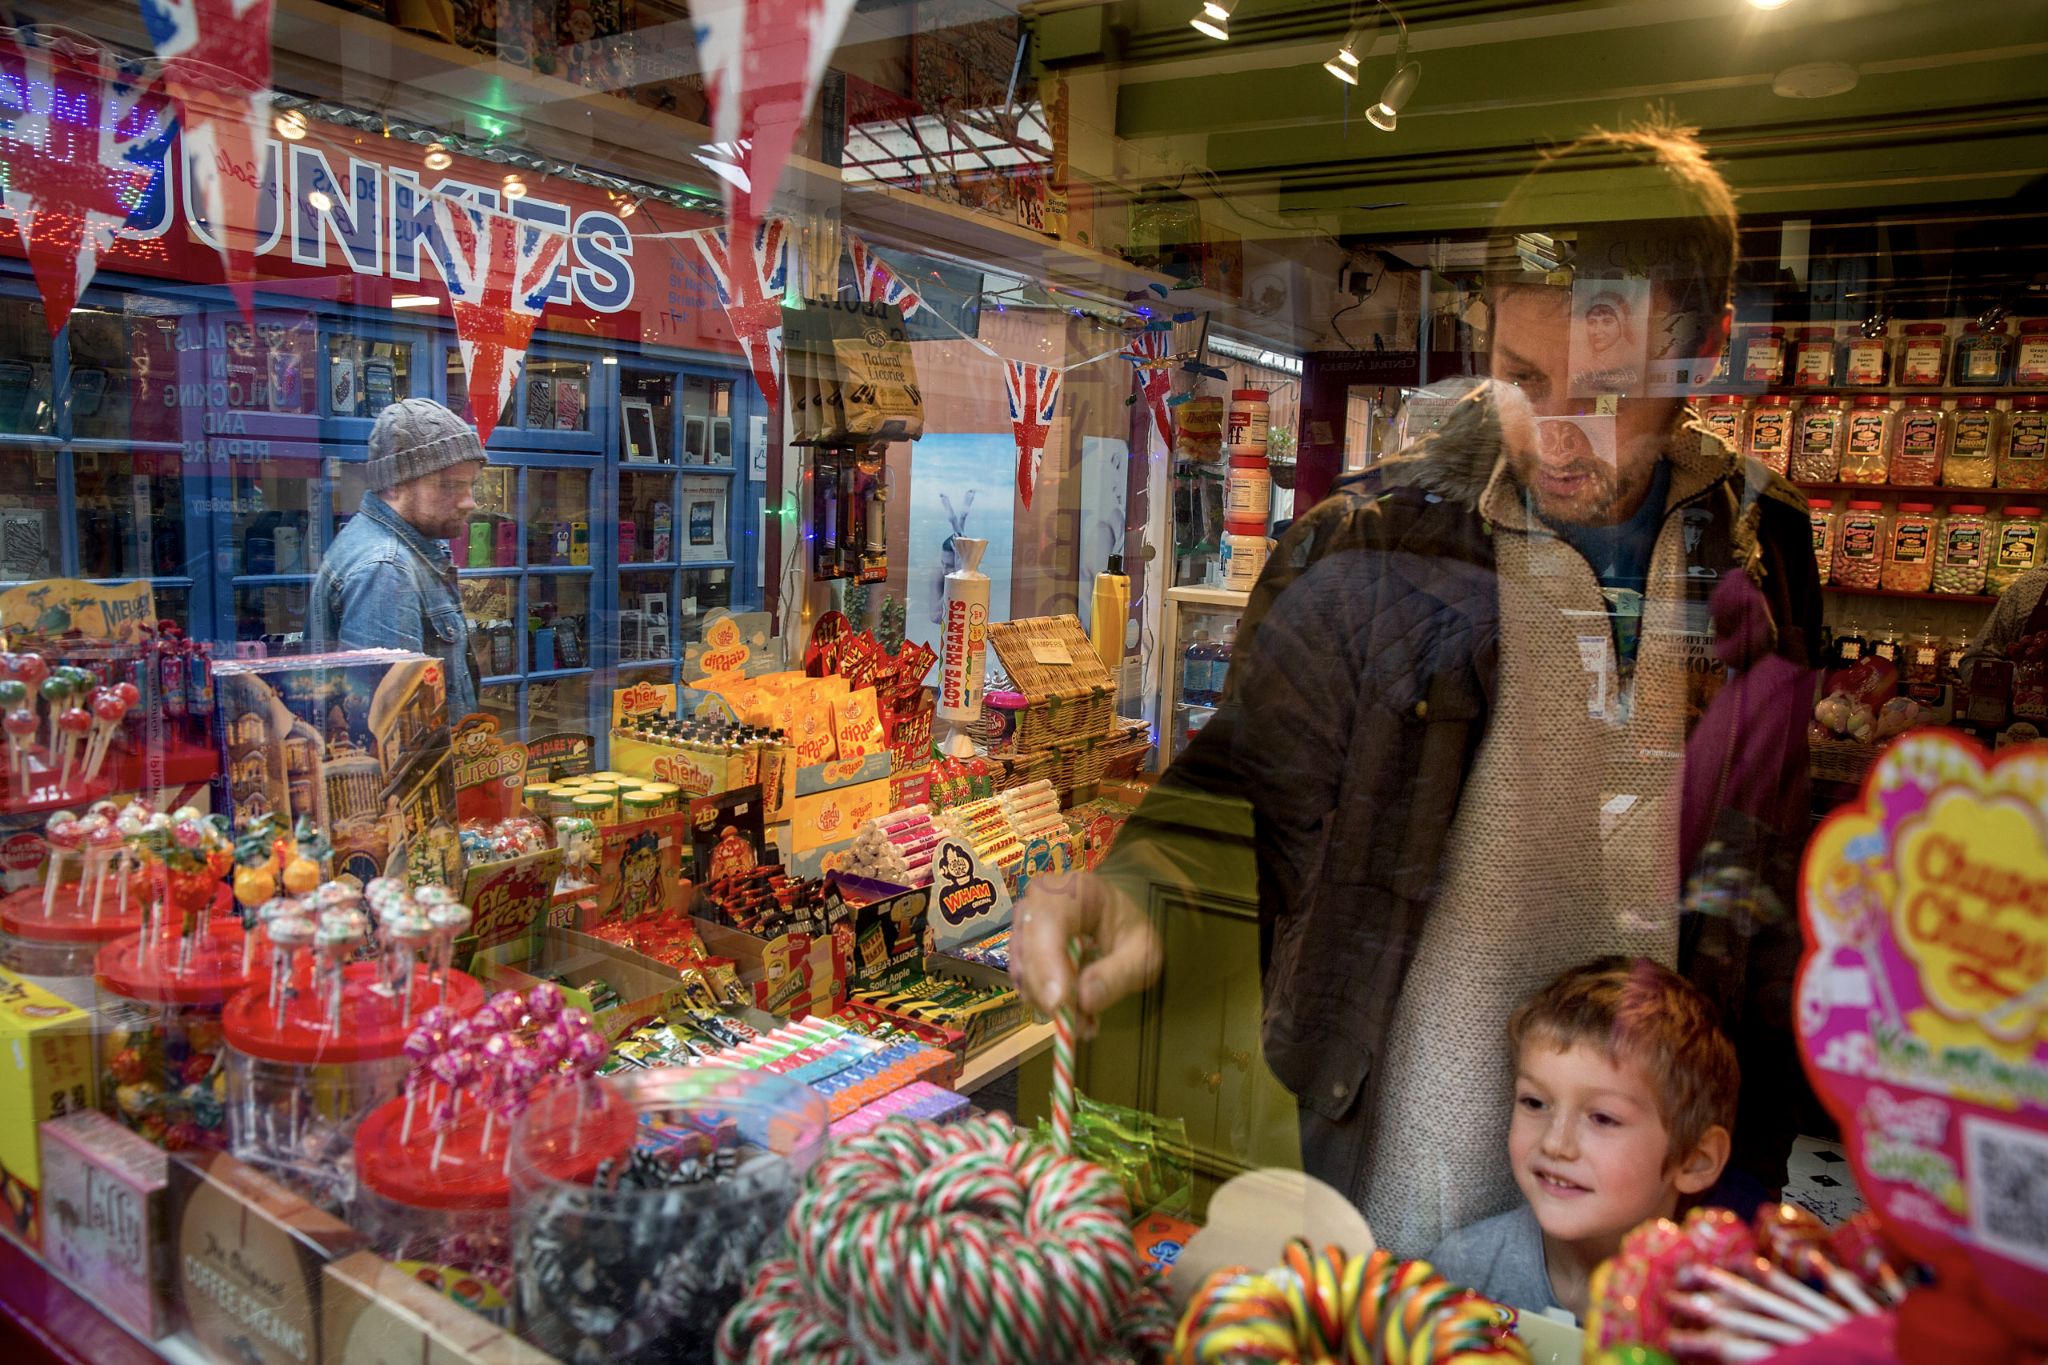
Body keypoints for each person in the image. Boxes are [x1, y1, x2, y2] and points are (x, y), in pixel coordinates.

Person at [1011, 121, 1822, 1255]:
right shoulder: (1374, 542)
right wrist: (1132, 893)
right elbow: (1240, 789)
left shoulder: (1763, 545)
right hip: (1409, 1163)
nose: (1557, 438)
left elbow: (1763, 881)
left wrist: (1751, 1173)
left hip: (1654, 1196)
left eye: (1608, 390)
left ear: (1704, 353)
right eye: (1523, 379)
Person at [1427, 957, 1737, 1320]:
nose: (1555, 1143)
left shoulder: (1714, 1313)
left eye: (1603, 1118)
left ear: (1695, 1160)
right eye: (1534, 1102)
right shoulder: (1462, 1271)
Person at [314, 398, 484, 723]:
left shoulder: (393, 547)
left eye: (470, 485)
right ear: (394, 486)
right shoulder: (386, 568)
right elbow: (387, 728)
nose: (469, 502)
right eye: (450, 486)